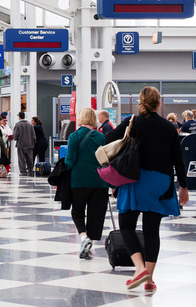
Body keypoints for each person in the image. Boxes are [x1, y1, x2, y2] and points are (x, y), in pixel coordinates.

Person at [105, 87, 190, 293]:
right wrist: (184, 188)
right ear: (158, 103)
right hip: (160, 182)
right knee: (152, 230)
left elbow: (108, 140)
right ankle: (149, 280)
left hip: (135, 180)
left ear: (140, 102)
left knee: (126, 225)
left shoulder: (132, 122)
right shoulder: (169, 127)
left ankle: (140, 268)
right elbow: (178, 160)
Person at [64, 108, 107, 260]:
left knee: (77, 211)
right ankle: (90, 245)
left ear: (81, 119)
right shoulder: (101, 137)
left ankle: (84, 238)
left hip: (79, 180)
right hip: (99, 181)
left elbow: (70, 161)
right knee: (96, 214)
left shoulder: (74, 136)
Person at [13, 112, 36, 176]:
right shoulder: (30, 125)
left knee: (21, 159)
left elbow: (15, 136)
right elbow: (34, 136)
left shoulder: (18, 125)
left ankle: (23, 172)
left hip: (21, 145)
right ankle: (30, 170)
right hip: (29, 145)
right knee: (30, 158)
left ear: (19, 117)